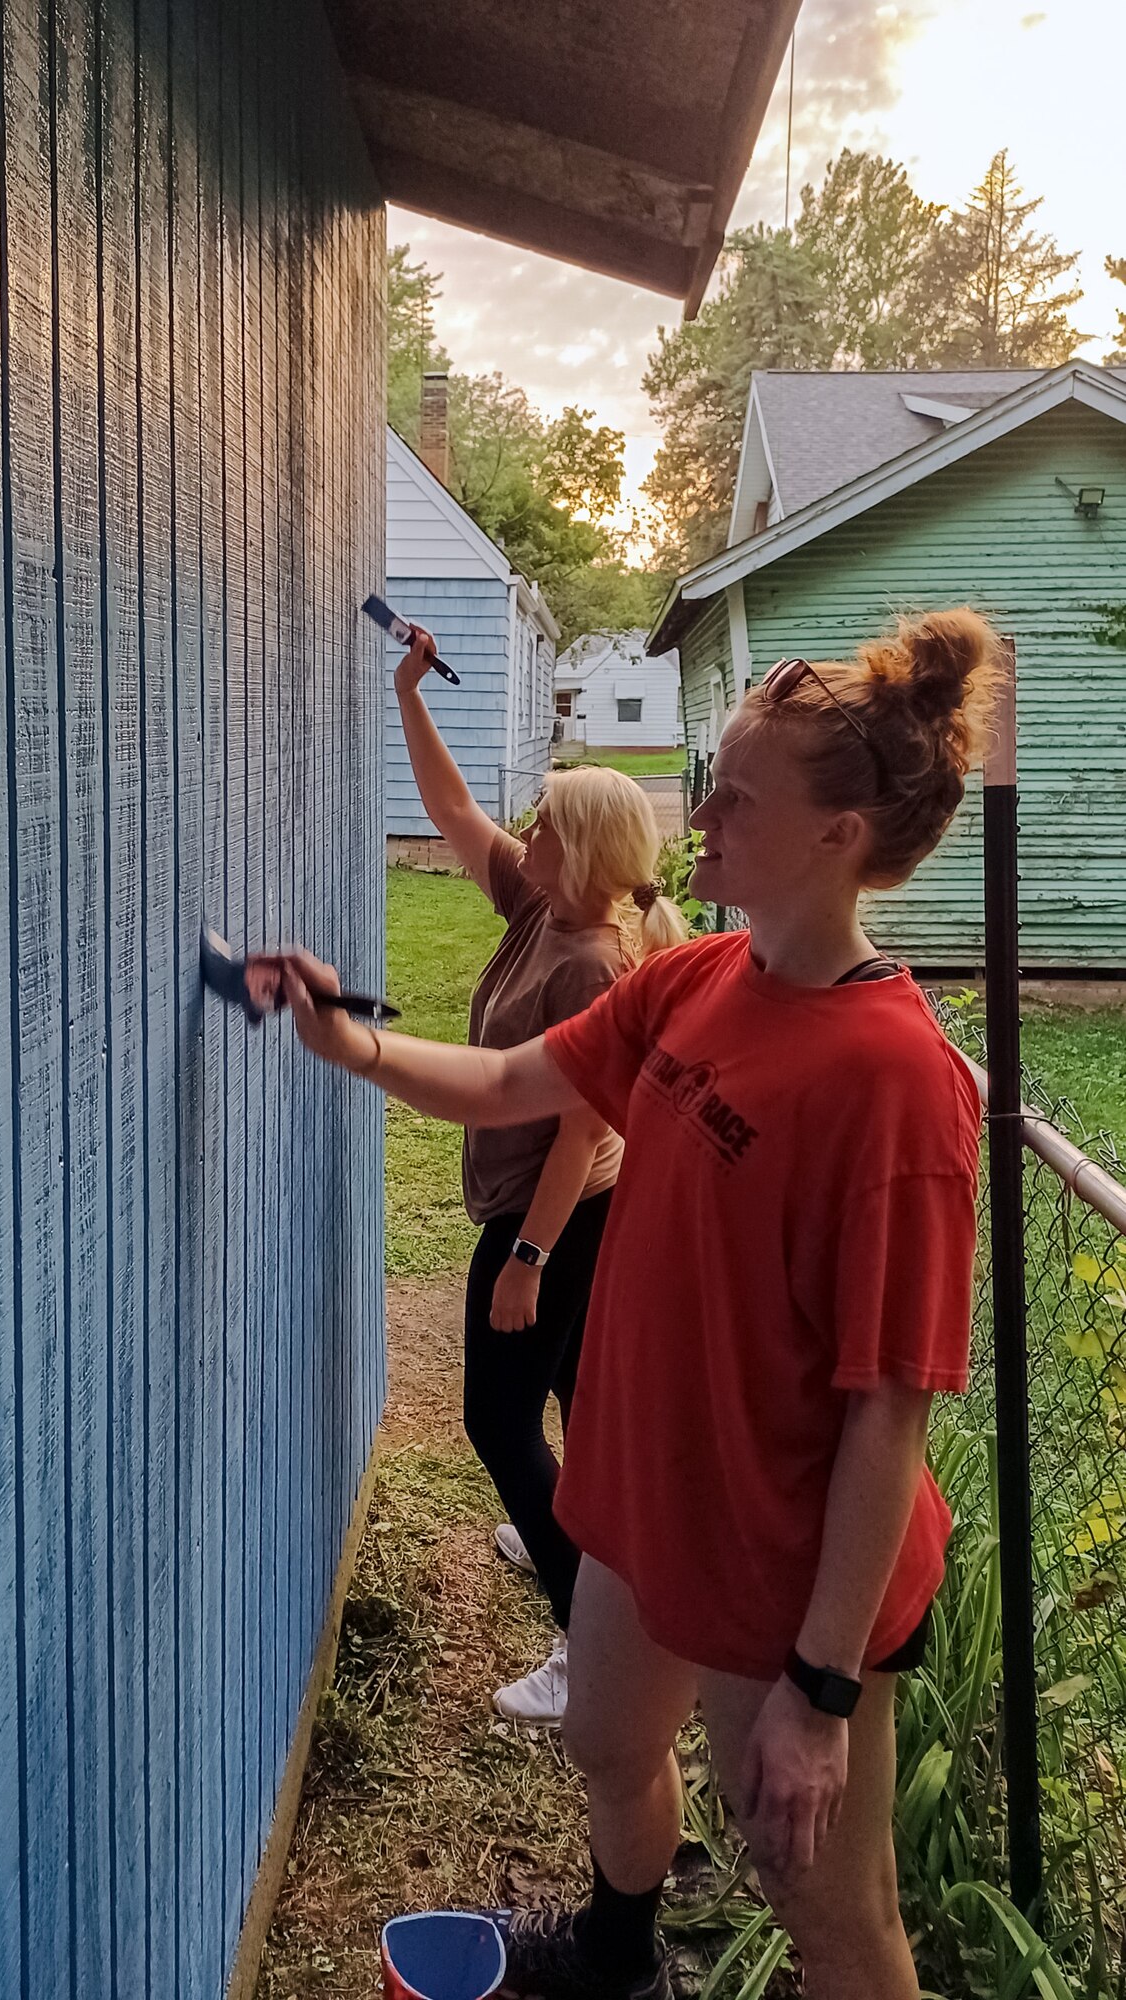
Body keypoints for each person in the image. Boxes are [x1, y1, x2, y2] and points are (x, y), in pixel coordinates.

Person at [265, 608, 1000, 2000]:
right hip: (640, 1498)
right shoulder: (695, 979)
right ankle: (618, 1963)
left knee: (826, 1907)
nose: (698, 812)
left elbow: (888, 1413)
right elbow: (504, 1087)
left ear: (839, 838)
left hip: (788, 1567)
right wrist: (344, 1037)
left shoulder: (897, 1087)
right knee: (607, 1745)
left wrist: (821, 1691)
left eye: (734, 793)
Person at [390, 625, 688, 1725]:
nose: (525, 833)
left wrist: (526, 1257)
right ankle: (593, 1552)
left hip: (561, 1213)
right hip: (564, 1211)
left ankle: (587, 1640)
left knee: (497, 1421)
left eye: (547, 825)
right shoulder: (543, 906)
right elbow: (454, 812)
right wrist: (409, 692)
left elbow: (575, 1134)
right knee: (572, 1399)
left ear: (590, 851)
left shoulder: (597, 961)